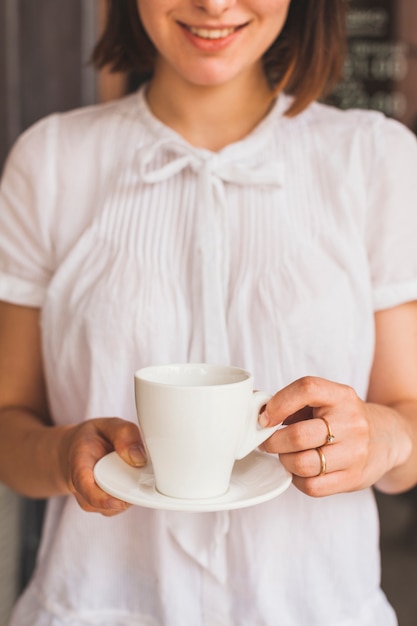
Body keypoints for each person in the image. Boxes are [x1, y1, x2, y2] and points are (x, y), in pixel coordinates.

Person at [1, 0, 417, 624]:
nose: (215, 5)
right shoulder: (52, 161)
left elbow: (407, 424)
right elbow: (8, 427)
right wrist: (64, 454)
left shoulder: (374, 158)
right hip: (94, 607)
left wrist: (384, 437)